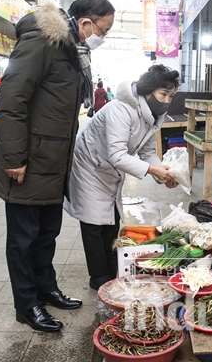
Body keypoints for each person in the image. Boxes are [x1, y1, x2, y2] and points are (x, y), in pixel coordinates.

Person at [0, 0, 115, 332]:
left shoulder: (73, 49)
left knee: (47, 233)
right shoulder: (42, 41)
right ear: (85, 22)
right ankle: (27, 305)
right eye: (104, 29)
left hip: (53, 161)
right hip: (27, 161)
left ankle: (46, 289)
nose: (104, 36)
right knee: (23, 238)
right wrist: (15, 157)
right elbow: (12, 100)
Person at [64, 65, 180, 290]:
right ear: (147, 91)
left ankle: (111, 272)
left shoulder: (153, 116)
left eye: (171, 96)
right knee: (93, 221)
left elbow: (147, 152)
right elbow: (117, 154)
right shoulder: (121, 109)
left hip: (109, 168)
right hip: (90, 165)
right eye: (163, 94)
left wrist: (163, 175)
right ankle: (98, 278)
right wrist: (152, 170)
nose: (167, 100)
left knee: (110, 218)